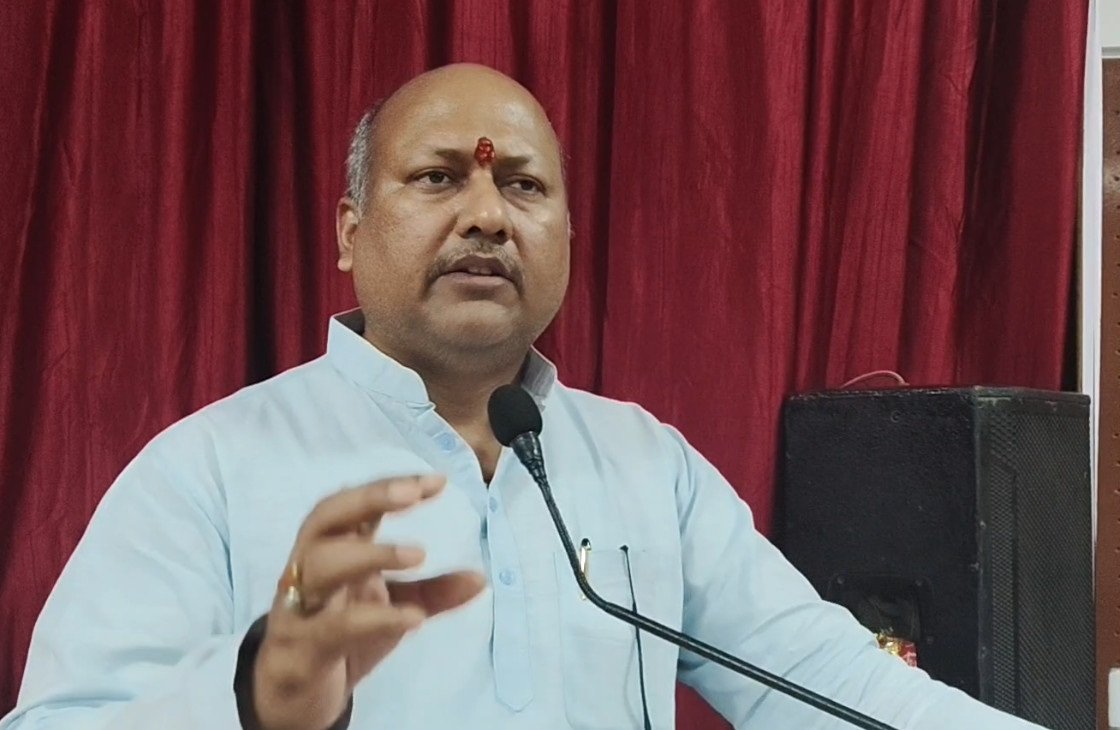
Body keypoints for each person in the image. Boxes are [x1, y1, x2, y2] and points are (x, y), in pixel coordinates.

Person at [1, 63, 1045, 730]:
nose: (488, 216)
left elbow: (832, 686)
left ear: (568, 239)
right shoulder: (209, 469)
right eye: (437, 177)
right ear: (349, 232)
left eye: (523, 186)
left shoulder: (646, 462)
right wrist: (255, 696)